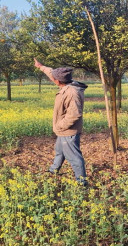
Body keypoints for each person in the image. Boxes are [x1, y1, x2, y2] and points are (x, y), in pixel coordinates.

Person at [34, 58, 88, 186]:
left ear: (58, 81)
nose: (52, 78)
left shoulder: (72, 93)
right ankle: (54, 170)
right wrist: (40, 66)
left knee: (74, 157)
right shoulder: (67, 83)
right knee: (59, 150)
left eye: (53, 78)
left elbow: (74, 114)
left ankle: (82, 182)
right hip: (63, 131)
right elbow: (52, 72)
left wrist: (60, 126)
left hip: (68, 131)